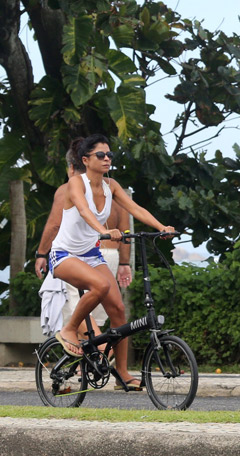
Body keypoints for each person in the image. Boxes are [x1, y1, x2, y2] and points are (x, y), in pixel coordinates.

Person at [49, 134, 174, 390]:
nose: (107, 159)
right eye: (100, 155)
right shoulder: (76, 183)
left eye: (109, 155)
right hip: (64, 255)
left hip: (91, 256)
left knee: (118, 311)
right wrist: (103, 231)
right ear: (86, 160)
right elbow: (84, 210)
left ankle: (123, 374)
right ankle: (69, 329)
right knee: (101, 286)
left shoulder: (111, 185)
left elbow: (134, 208)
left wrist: (162, 227)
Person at [35, 139, 133, 334]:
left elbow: (55, 224)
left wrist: (41, 254)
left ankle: (96, 353)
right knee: (104, 313)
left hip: (83, 254)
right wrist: (124, 263)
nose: (106, 159)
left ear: (72, 166)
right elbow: (125, 230)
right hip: (111, 255)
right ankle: (96, 358)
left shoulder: (68, 188)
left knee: (79, 311)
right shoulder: (112, 190)